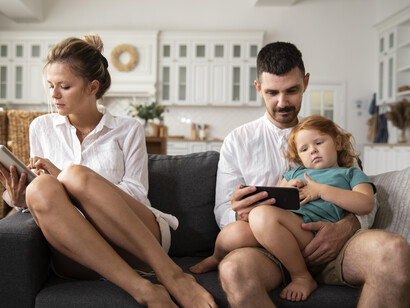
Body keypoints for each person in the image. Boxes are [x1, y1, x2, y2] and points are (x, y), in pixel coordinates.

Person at [0, 35, 216, 308]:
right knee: (41, 188)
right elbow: (45, 202)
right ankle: (144, 290)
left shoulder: (127, 129)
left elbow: (137, 193)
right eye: (51, 86)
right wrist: (20, 199)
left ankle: (173, 275)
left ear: (92, 87)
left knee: (73, 175)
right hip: (79, 253)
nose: (54, 95)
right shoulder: (40, 128)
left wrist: (66, 179)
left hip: (137, 241)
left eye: (65, 86)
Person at [213, 42, 410, 307]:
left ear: (305, 83)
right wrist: (239, 212)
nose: (282, 102)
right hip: (269, 251)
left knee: (394, 250)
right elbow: (222, 210)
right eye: (272, 92)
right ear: (258, 88)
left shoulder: (326, 135)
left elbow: (362, 196)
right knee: (234, 270)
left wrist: (346, 226)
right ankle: (299, 273)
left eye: (292, 90)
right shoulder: (237, 141)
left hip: (339, 246)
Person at [190, 115, 376, 301]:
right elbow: (278, 199)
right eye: (305, 149)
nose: (313, 150)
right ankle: (216, 257)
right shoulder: (296, 173)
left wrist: (323, 191)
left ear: (337, 142)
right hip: (285, 228)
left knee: (261, 216)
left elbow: (366, 203)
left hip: (314, 233)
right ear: (299, 156)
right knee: (235, 231)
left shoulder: (351, 173)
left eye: (319, 142)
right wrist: (287, 188)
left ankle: (301, 276)